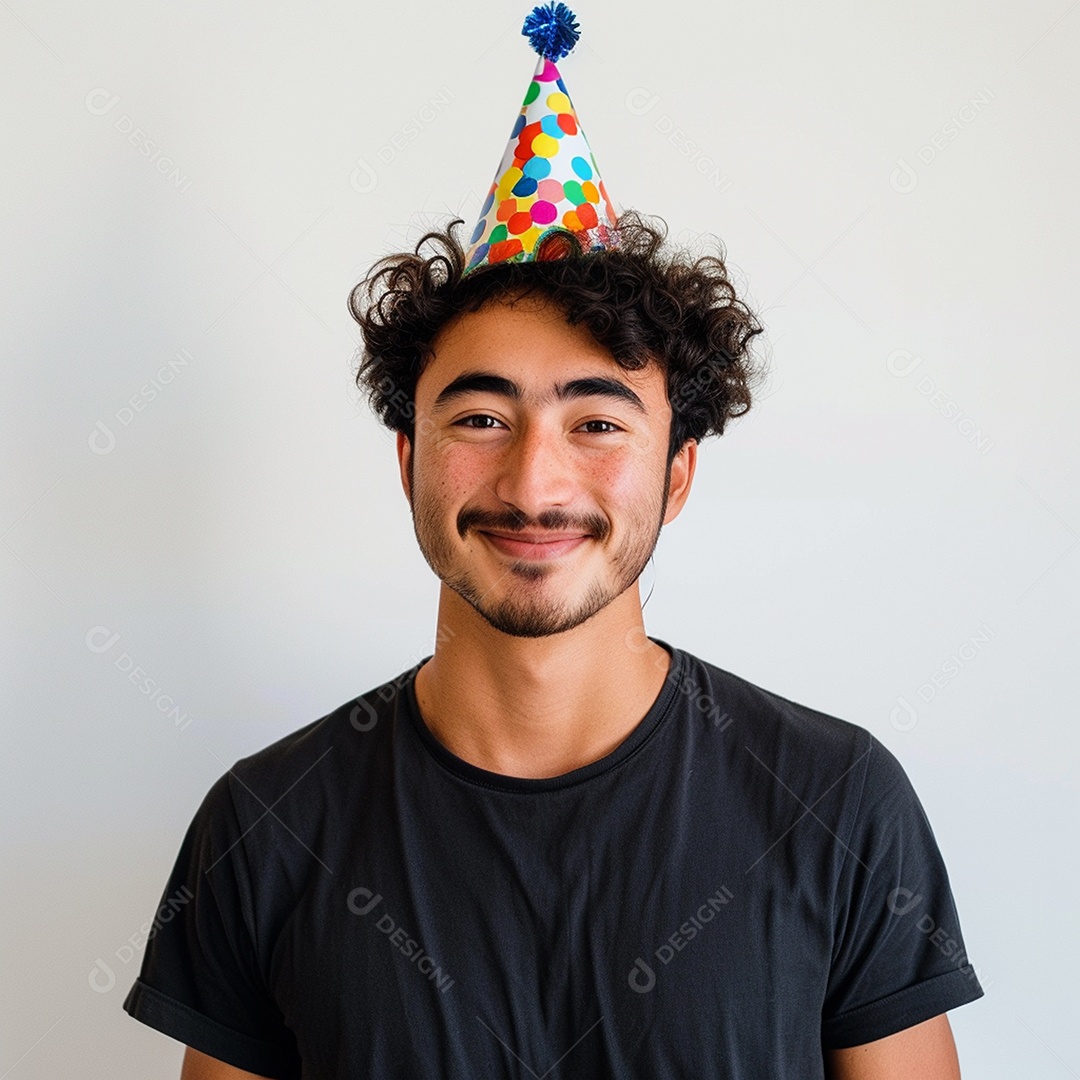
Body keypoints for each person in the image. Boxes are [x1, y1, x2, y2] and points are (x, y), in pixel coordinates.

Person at [122, 6, 984, 1078]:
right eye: (482, 418)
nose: (534, 484)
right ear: (408, 460)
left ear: (677, 475)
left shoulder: (839, 801)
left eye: (598, 425)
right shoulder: (267, 826)